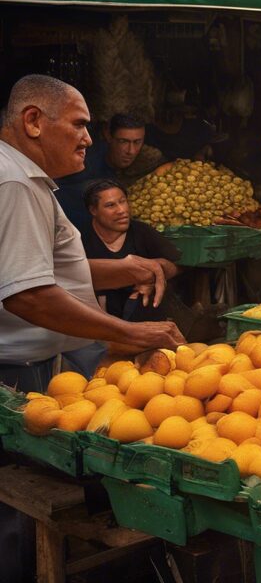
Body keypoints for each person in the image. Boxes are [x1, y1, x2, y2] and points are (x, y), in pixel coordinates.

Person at [1, 75, 184, 583]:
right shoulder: (13, 182)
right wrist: (129, 333)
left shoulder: (30, 180)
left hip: (36, 368)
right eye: (79, 125)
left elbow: (52, 271)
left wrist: (124, 267)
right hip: (19, 373)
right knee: (21, 511)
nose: (89, 138)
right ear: (34, 121)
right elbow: (27, 294)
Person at [80, 179, 181, 321]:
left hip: (143, 319)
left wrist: (154, 270)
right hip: (96, 322)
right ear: (93, 210)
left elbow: (177, 267)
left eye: (123, 201)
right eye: (110, 205)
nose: (121, 210)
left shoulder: (142, 232)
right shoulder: (79, 238)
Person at [54, 113, 146, 232]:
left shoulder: (145, 161)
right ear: (108, 136)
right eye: (123, 141)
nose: (131, 151)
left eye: (137, 142)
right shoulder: (82, 165)